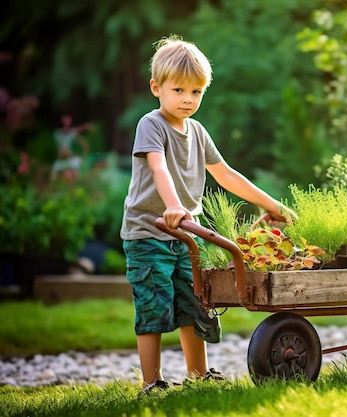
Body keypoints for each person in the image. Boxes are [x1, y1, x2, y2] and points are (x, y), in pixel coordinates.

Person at [120, 34, 294, 394]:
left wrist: (269, 204)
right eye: (179, 90)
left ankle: (197, 375)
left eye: (196, 92)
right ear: (157, 88)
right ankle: (152, 383)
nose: (187, 99)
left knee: (195, 303)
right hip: (148, 233)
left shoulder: (197, 132)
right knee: (153, 309)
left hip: (187, 235)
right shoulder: (151, 125)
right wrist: (172, 205)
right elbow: (159, 168)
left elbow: (227, 174)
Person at [51, 114, 91, 181]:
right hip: (62, 159)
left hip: (69, 158)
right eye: (67, 119)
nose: (68, 122)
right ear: (62, 120)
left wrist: (86, 126)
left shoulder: (71, 133)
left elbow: (77, 130)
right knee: (55, 170)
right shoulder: (57, 133)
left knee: (79, 164)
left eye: (69, 120)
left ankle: (80, 181)